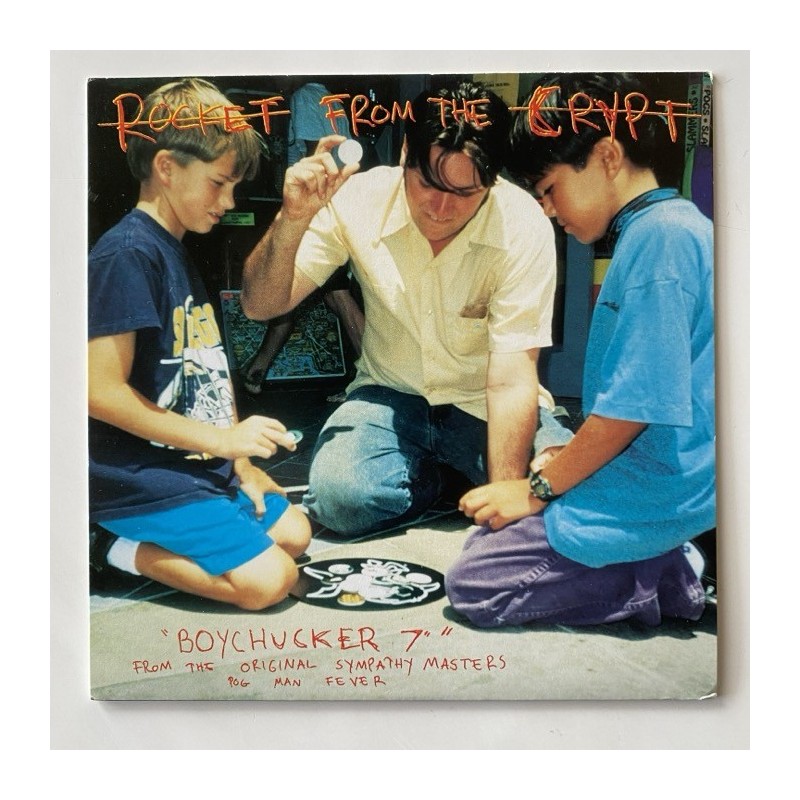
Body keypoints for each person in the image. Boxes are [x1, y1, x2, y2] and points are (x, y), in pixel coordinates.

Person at [241, 82, 572, 537]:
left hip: (485, 400)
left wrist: (505, 505)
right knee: (340, 500)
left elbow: (512, 377)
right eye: (427, 183)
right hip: (388, 394)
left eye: (464, 192)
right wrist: (292, 218)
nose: (440, 208)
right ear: (403, 157)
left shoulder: (521, 222)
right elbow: (260, 305)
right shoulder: (359, 197)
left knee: (563, 490)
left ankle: (483, 465)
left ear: (493, 181)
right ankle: (448, 479)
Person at [446, 73, 714, 627]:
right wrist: (560, 468)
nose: (547, 209)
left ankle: (669, 569)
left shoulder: (661, 240)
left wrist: (538, 489)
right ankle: (658, 555)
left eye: (549, 188)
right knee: (488, 541)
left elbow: (632, 409)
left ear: (607, 156)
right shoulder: (665, 228)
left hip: (659, 489)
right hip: (642, 471)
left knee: (476, 583)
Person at [88, 78, 311, 610]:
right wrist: (224, 442)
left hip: (195, 466)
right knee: (269, 582)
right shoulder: (126, 255)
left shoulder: (178, 250)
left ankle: (192, 520)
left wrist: (240, 463)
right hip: (136, 478)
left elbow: (205, 373)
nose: (228, 201)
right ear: (166, 167)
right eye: (218, 183)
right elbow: (98, 391)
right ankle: (107, 547)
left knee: (295, 533)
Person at [243, 82, 364, 396]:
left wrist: (302, 210)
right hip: (337, 203)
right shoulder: (331, 96)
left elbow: (317, 156)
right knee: (329, 294)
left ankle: (377, 380)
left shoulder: (305, 96)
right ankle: (257, 370)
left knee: (334, 295)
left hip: (320, 207)